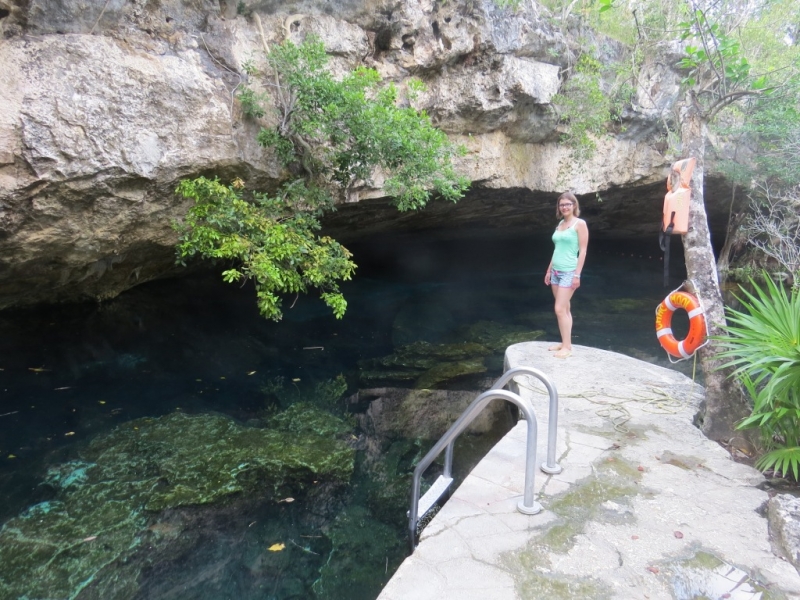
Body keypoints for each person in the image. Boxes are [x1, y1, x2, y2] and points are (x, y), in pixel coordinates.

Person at [543, 192, 589, 358]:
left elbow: (583, 251)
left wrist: (577, 275)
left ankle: (567, 348)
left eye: (568, 204)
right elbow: (557, 250)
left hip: (569, 271)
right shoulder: (560, 224)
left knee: (559, 309)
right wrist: (549, 270)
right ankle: (565, 343)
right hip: (556, 271)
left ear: (574, 205)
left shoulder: (579, 224)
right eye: (562, 204)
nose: (564, 207)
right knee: (565, 308)